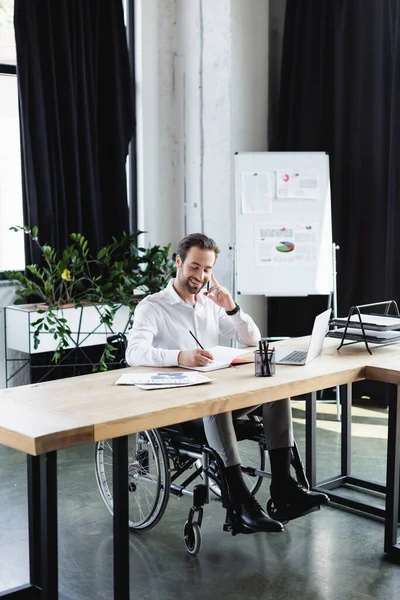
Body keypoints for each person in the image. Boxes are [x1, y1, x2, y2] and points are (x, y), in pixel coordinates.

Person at [126, 233, 328, 534]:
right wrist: (181, 355)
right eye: (195, 267)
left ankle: (284, 490)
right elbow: (134, 353)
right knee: (217, 403)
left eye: (207, 270)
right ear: (179, 263)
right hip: (179, 406)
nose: (200, 276)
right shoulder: (153, 307)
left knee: (276, 393)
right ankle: (242, 506)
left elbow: (252, 340)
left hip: (215, 394)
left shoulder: (208, 304)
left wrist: (231, 307)